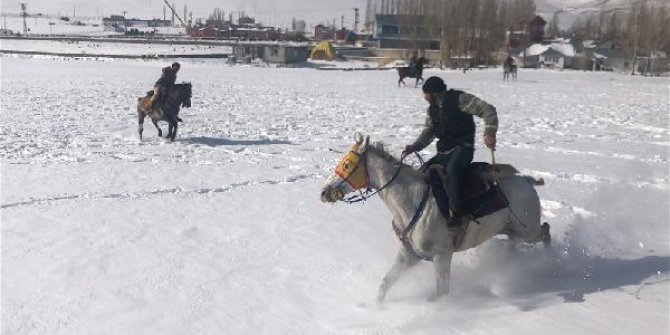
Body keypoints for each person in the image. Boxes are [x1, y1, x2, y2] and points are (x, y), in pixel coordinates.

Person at [402, 76, 498, 229]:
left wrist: (490, 133)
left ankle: (457, 214)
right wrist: (415, 146)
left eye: (425, 93)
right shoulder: (432, 109)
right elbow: (428, 132)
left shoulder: (459, 99)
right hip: (444, 152)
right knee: (423, 174)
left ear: (434, 93)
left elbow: (488, 110)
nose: (424, 97)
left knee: (451, 172)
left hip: (463, 148)